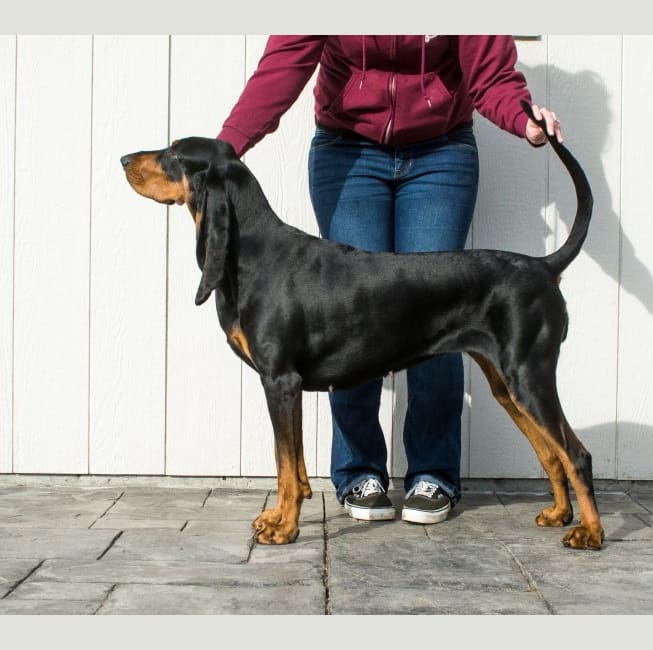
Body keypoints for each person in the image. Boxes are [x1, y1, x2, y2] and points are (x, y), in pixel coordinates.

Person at [217, 35, 563, 526]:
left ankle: (434, 473)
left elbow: (490, 74)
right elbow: (284, 65)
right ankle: (359, 471)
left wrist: (522, 117)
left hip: (441, 152)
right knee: (346, 317)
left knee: (442, 315)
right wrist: (222, 152)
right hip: (347, 150)